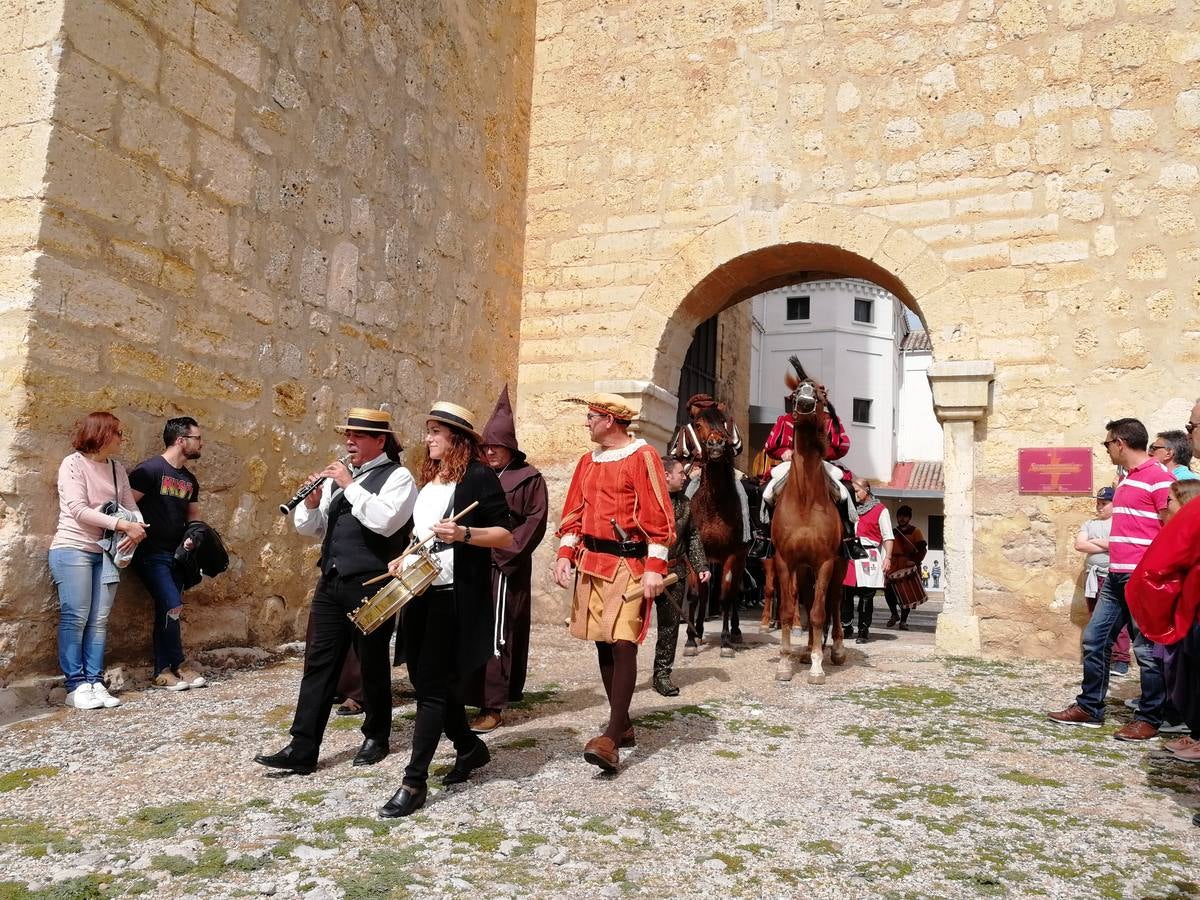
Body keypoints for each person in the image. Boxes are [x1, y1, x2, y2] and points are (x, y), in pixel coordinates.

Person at [255, 408, 417, 776]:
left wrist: (348, 484)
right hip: (331, 580)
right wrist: (312, 506)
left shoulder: (399, 477)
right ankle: (302, 746)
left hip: (372, 583)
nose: (349, 441)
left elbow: (385, 522)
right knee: (319, 662)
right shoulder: (341, 478)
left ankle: (376, 735)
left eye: (358, 436)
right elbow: (314, 529)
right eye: (348, 435)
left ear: (380, 440)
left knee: (372, 662)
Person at [379, 402, 513, 818]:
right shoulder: (432, 479)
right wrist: (404, 555)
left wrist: (465, 533)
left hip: (454, 595)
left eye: (436, 432)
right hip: (420, 590)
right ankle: (469, 747)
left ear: (457, 438)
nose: (428, 438)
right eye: (429, 431)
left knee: (433, 688)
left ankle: (413, 781)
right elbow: (421, 533)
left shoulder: (478, 476)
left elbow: (505, 534)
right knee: (426, 680)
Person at [553, 393, 674, 774]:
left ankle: (610, 737)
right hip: (592, 563)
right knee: (603, 642)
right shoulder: (587, 462)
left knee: (623, 643)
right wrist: (565, 553)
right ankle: (622, 724)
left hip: (628, 563)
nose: (586, 423)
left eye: (591, 417)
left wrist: (655, 566)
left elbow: (659, 514)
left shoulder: (643, 456)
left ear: (609, 419)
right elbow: (574, 511)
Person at [1049, 417, 1174, 739]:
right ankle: (1090, 707)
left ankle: (1150, 718)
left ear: (1120, 443)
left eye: (1107, 443)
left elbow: (1171, 526)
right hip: (1116, 575)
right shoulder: (1128, 480)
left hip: (1141, 578)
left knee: (1146, 651)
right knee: (1094, 640)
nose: (1105, 449)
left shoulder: (1159, 478)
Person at [50, 412, 147, 709]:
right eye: (118, 432)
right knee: (75, 617)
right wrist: (123, 525)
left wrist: (137, 528)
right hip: (73, 548)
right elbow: (78, 509)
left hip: (106, 553)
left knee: (100, 620)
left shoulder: (117, 468)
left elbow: (130, 506)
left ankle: (94, 682)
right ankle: (75, 686)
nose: (122, 438)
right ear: (102, 434)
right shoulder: (73, 464)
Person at [468, 385, 548, 734]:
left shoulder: (530, 479)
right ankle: (467, 695)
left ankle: (493, 704)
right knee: (471, 629)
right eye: (485, 446)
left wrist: (503, 554)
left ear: (510, 448)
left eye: (496, 446)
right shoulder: (477, 475)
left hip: (504, 567)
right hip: (473, 562)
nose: (489, 452)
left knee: (499, 632)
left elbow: (535, 522)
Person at [128, 416, 208, 691]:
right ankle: (173, 666)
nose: (201, 443)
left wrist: (195, 536)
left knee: (169, 609)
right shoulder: (149, 470)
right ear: (181, 440)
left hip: (177, 556)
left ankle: (169, 669)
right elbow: (126, 507)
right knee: (172, 604)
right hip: (150, 553)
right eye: (197, 438)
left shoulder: (189, 479)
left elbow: (193, 516)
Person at [761, 379, 863, 559]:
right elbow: (770, 446)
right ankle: (764, 538)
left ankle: (850, 539)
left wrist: (822, 454)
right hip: (791, 464)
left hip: (821, 464)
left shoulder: (830, 420)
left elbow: (843, 446)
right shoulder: (784, 420)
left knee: (846, 490)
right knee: (764, 491)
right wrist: (784, 452)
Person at [657, 457, 709, 695]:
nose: (685, 477)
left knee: (669, 627)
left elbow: (693, 536)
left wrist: (701, 566)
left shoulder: (686, 502)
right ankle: (625, 673)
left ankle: (662, 675)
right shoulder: (647, 499)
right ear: (667, 475)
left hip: (675, 572)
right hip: (644, 574)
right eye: (680, 473)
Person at [669, 393, 750, 542]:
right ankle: (680, 533)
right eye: (699, 407)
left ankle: (749, 533)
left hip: (725, 467)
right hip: (698, 470)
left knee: (744, 491)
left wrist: (724, 454)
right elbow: (676, 455)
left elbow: (738, 447)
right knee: (686, 493)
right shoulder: (687, 429)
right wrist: (690, 468)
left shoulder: (727, 425)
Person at [1073, 487, 1131, 677]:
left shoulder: (1120, 523)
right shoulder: (1089, 524)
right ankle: (1100, 656)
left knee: (1116, 619)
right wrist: (1104, 543)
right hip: (1092, 576)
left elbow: (1117, 544)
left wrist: (1095, 542)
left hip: (1111, 575)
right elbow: (1080, 544)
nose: (1099, 507)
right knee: (1094, 616)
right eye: (1098, 503)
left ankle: (1121, 658)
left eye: (1104, 503)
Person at [840, 479, 893, 643]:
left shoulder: (880, 510)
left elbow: (888, 536)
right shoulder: (850, 509)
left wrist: (888, 557)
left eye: (856, 491)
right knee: (846, 593)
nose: (854, 494)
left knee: (866, 596)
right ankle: (847, 626)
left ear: (867, 489)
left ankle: (863, 630)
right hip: (850, 555)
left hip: (868, 556)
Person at [885, 505, 926, 631]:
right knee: (888, 591)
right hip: (894, 565)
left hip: (908, 564)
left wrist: (914, 561)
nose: (902, 518)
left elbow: (922, 549)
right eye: (900, 516)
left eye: (905, 516)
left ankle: (903, 621)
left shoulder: (916, 531)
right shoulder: (893, 532)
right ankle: (894, 614)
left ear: (909, 518)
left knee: (906, 594)